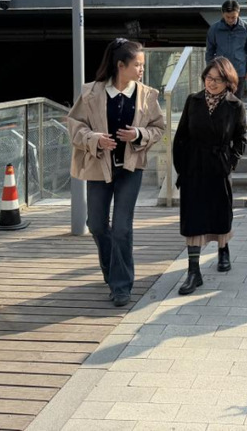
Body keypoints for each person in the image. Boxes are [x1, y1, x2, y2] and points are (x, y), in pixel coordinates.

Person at [66, 38, 166, 307]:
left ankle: (121, 286)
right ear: (120, 65)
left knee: (122, 227)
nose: (142, 69)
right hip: (99, 167)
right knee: (97, 225)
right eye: (137, 65)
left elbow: (158, 128)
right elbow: (75, 125)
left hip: (130, 170)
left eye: (142, 65)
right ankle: (112, 271)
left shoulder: (148, 95)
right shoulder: (91, 92)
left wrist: (139, 134)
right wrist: (95, 139)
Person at [172, 57, 247, 295]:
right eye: (209, 78)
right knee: (192, 218)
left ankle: (223, 249)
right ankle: (193, 271)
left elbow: (241, 138)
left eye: (218, 80)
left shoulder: (235, 106)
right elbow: (181, 135)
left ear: (228, 82)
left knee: (220, 213)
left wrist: (230, 163)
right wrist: (181, 166)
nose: (212, 83)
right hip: (194, 166)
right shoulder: (193, 101)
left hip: (218, 166)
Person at [206, 0, 247, 100]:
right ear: (222, 14)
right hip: (220, 71)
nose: (230, 20)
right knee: (220, 100)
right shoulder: (214, 29)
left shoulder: (246, 28)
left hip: (239, 71)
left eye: (233, 17)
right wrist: (210, 70)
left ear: (238, 13)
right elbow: (210, 51)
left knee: (236, 101)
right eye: (227, 17)